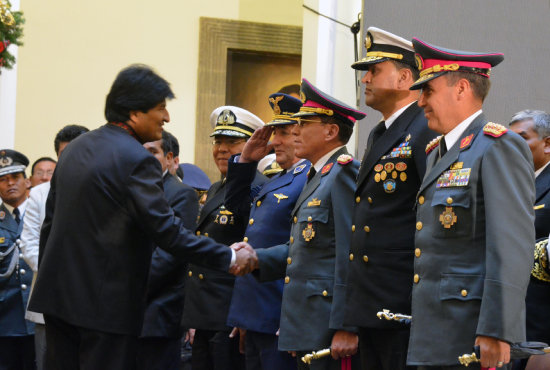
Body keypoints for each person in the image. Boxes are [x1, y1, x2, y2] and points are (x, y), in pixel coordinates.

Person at [27, 64, 256, 370]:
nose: (166, 117)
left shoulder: (75, 149)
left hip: (57, 302)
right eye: (161, 108)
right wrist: (227, 257)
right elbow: (167, 231)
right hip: (106, 310)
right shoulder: (136, 159)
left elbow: (51, 225)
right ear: (135, 113)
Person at [407, 38, 535, 369]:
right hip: (435, 331)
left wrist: (497, 330)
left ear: (461, 88)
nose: (420, 102)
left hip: (472, 334)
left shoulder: (497, 147)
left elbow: (511, 247)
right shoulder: (438, 151)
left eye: (428, 91)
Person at [246, 79, 366, 370]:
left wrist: (346, 324)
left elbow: (351, 253)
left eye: (303, 123)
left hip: (327, 327)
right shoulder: (318, 176)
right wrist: (256, 258)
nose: (295, 131)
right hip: (308, 323)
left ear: (331, 131)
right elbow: (306, 249)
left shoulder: (343, 174)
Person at [342, 27, 437, 370]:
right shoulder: (381, 132)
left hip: (401, 298)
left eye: (373, 71)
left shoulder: (422, 128)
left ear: (404, 78)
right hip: (373, 300)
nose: (364, 79)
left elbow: (430, 216)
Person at [224, 93, 308, 370]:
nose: (275, 141)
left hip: (279, 314)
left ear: (301, 134)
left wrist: (295, 319)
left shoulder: (310, 178)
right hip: (256, 312)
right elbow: (237, 206)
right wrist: (246, 160)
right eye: (275, 133)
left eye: (284, 133)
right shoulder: (281, 178)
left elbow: (306, 253)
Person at [183, 105, 266, 370]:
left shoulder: (258, 187)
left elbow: (256, 251)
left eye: (232, 142)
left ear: (253, 145)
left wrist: (244, 314)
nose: (222, 149)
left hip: (230, 316)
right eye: (218, 141)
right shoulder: (216, 187)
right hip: (205, 315)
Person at [20, 124, 89, 370]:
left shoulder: (101, 187)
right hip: (50, 294)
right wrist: (62, 273)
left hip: (90, 297)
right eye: (65, 154)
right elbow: (28, 244)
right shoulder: (39, 194)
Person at [137, 130, 199, 370]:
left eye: (152, 151)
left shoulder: (180, 194)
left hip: (157, 312)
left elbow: (169, 255)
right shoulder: (131, 189)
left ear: (168, 157)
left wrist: (128, 288)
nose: (145, 158)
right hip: (125, 312)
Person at [508, 110, 550, 370]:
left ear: (547, 143)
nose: (512, 147)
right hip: (513, 319)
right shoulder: (512, 183)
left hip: (542, 320)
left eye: (522, 138)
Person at [0, 149, 34, 370]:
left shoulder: (40, 214)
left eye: (15, 177)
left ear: (27, 181)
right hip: (5, 320)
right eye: (2, 179)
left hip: (38, 316)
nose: (9, 183)